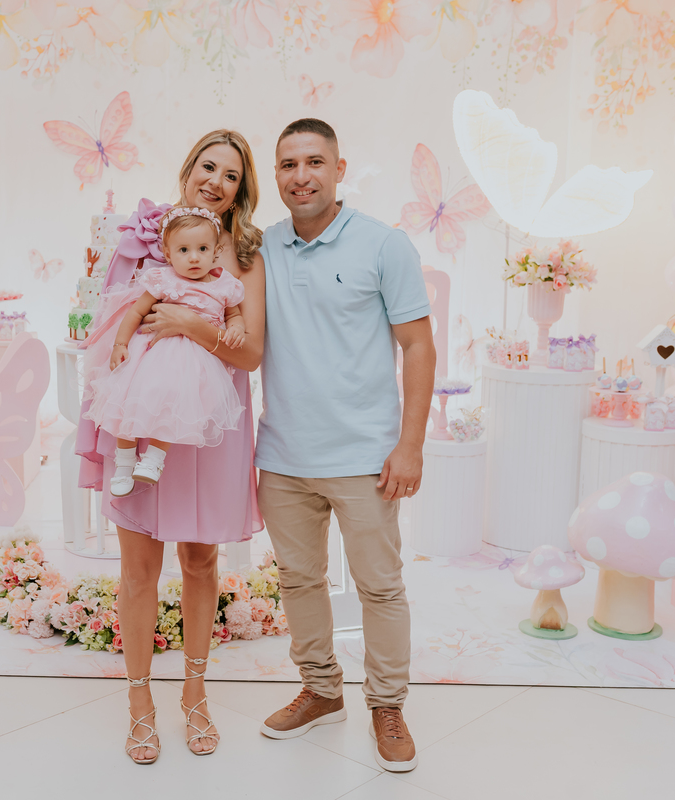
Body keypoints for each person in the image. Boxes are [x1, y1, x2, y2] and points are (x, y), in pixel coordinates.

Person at [74, 130, 266, 764]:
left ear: (242, 189)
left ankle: (194, 693)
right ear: (187, 170)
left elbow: (253, 351)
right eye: (208, 166)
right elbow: (109, 332)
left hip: (212, 429)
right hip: (144, 419)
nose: (216, 180)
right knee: (137, 570)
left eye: (231, 175)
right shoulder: (142, 242)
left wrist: (191, 323)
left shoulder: (244, 256)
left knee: (201, 563)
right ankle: (138, 703)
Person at [255, 118, 436, 773]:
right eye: (287, 165)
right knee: (298, 580)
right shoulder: (261, 249)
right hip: (282, 456)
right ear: (274, 175)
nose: (300, 175)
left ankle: (387, 705)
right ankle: (321, 690)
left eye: (313, 162)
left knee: (379, 588)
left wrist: (409, 446)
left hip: (365, 458)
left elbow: (418, 346)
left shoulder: (383, 245)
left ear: (338, 168)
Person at [83, 207, 247, 497]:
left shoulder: (224, 286)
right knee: (129, 400)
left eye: (202, 249)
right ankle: (124, 463)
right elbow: (135, 312)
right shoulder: (164, 279)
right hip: (152, 353)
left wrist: (235, 327)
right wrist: (120, 344)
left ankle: (154, 459)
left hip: (195, 362)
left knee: (177, 408)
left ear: (216, 252)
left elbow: (233, 315)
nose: (194, 257)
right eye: (184, 250)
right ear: (169, 254)